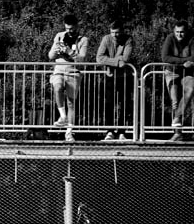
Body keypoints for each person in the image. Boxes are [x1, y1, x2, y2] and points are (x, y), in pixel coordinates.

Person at [47, 14, 89, 142]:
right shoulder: (60, 36)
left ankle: (69, 132)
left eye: (71, 29)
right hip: (59, 70)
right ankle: (63, 116)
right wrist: (57, 48)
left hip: (73, 72)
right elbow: (50, 56)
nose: (69, 31)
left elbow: (82, 59)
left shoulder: (83, 40)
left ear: (77, 26)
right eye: (67, 28)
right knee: (57, 87)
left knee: (71, 102)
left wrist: (69, 51)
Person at [161, 20, 194, 142]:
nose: (179, 34)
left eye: (182, 32)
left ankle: (177, 118)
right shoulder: (169, 38)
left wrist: (180, 61)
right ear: (174, 31)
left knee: (191, 89)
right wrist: (184, 62)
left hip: (187, 73)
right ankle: (177, 133)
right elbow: (165, 57)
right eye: (177, 32)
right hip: (171, 72)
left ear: (186, 31)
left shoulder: (192, 39)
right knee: (175, 101)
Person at [95, 21, 134, 141]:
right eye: (112, 32)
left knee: (125, 104)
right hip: (110, 76)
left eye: (117, 32)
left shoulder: (128, 39)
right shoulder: (106, 39)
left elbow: (126, 57)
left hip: (125, 76)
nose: (115, 35)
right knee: (109, 104)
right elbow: (99, 58)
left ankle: (122, 131)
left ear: (122, 31)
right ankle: (109, 130)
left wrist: (109, 62)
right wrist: (117, 62)